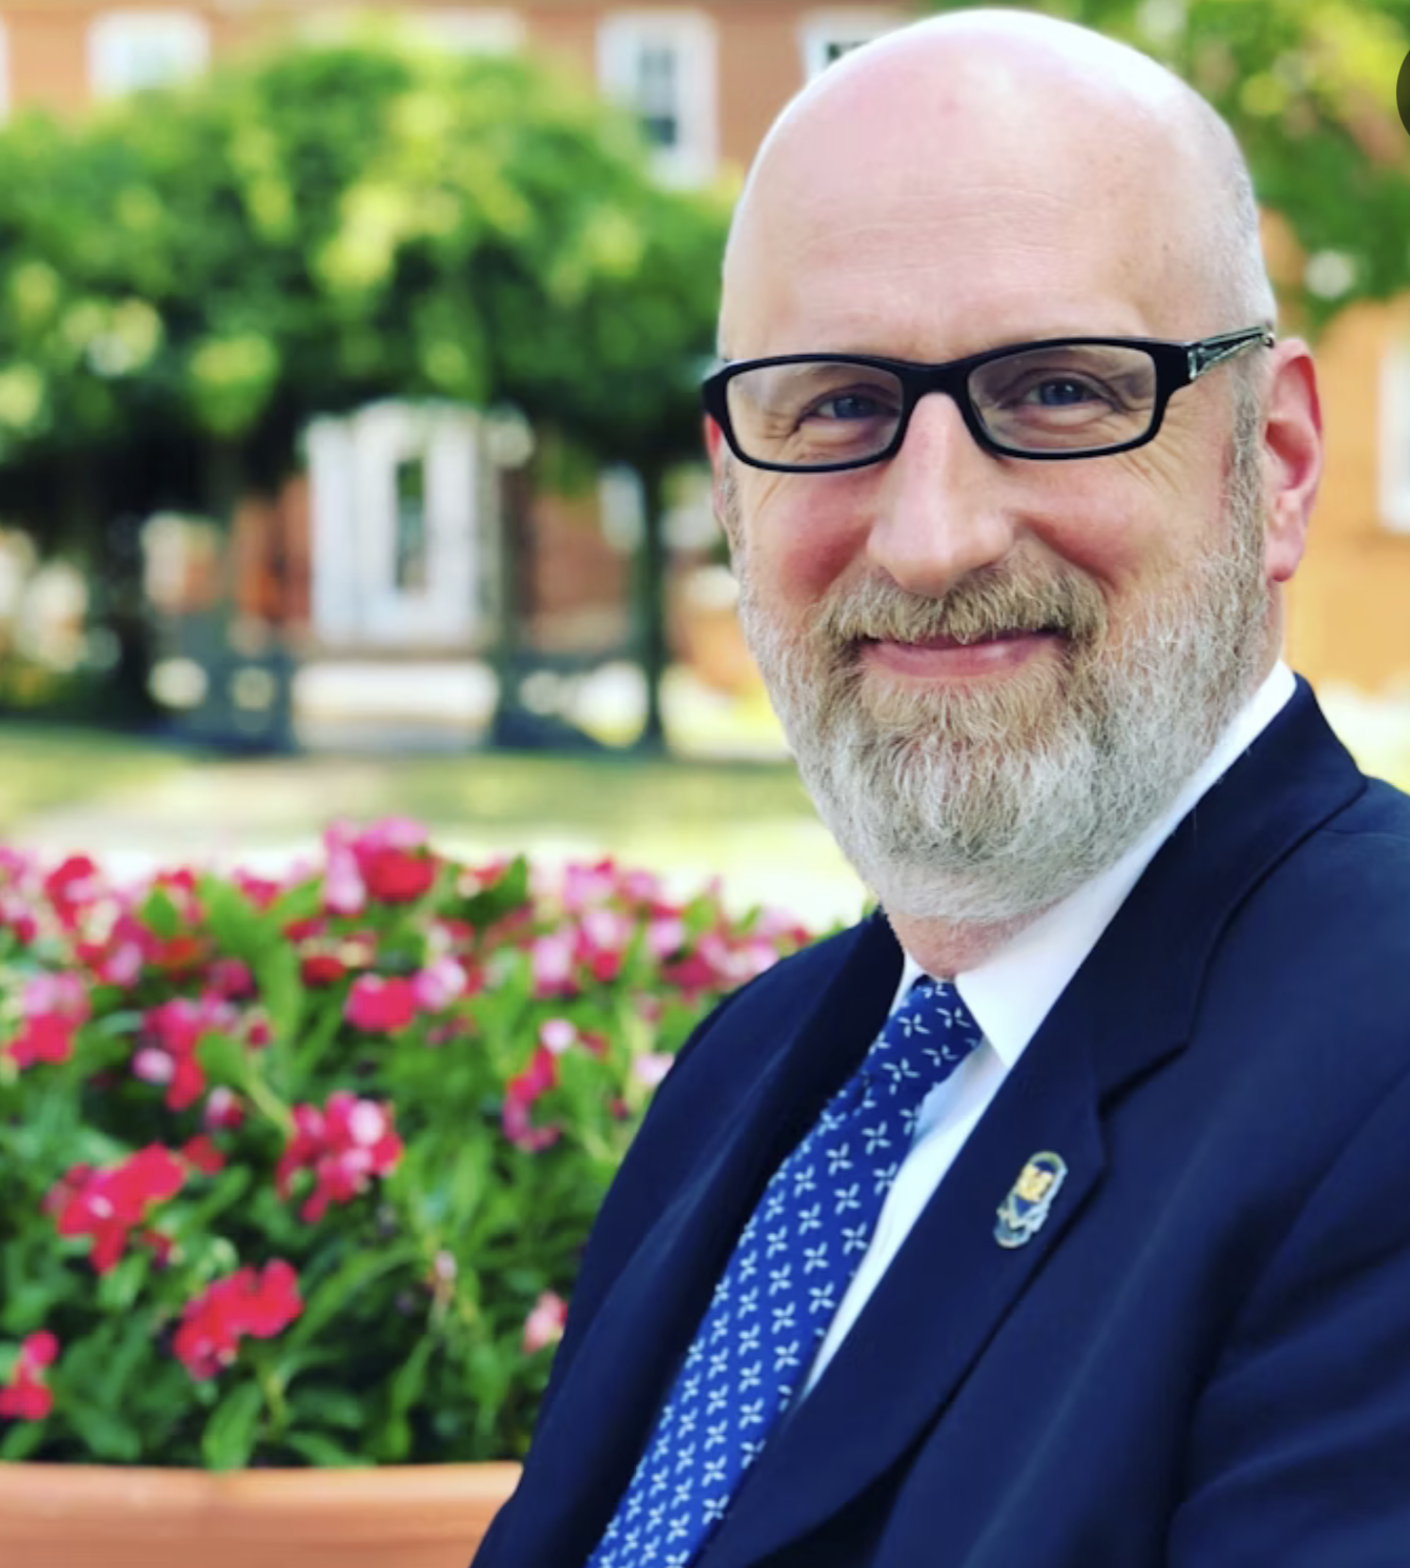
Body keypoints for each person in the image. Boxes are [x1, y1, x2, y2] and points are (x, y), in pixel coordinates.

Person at [473, 10, 1410, 1566]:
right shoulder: (755, 1064)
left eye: (1054, 391)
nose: (929, 539)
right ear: (727, 484)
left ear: (1281, 461)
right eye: (833, 405)